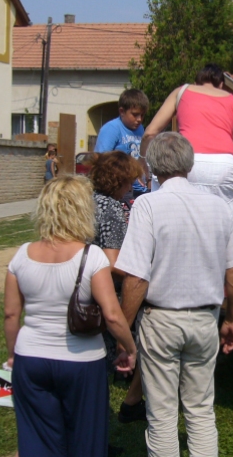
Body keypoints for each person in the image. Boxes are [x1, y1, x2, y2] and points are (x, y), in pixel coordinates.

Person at [115, 132, 233, 457]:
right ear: (189, 163)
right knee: (200, 408)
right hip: (205, 317)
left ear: (153, 166)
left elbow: (136, 278)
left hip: (161, 318)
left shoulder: (147, 204)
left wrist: (123, 331)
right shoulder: (218, 206)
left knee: (162, 414)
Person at [3, 176, 137, 456]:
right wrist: (128, 347)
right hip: (82, 360)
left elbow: (11, 314)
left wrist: (13, 354)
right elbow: (112, 315)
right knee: (85, 439)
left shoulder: (21, 256)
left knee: (37, 437)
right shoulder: (92, 256)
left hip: (31, 356)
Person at [141, 63, 233, 210]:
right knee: (222, 220)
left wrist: (142, 160)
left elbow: (150, 132)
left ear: (196, 83)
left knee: (182, 212)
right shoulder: (232, 100)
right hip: (224, 165)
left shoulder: (182, 92)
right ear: (220, 85)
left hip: (188, 161)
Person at [87, 151, 147, 423]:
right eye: (129, 181)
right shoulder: (111, 208)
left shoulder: (88, 201)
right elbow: (113, 263)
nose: (131, 187)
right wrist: (143, 271)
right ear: (120, 180)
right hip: (105, 293)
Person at [94, 88, 150, 197]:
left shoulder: (140, 129)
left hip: (139, 189)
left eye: (142, 115)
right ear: (122, 111)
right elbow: (100, 160)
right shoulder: (112, 129)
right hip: (121, 190)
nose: (139, 119)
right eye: (135, 114)